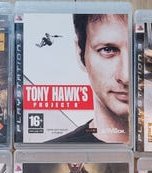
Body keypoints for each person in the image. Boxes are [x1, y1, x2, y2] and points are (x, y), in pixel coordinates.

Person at [49, 14, 130, 144]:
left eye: (139, 51)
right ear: (80, 53)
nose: (126, 77)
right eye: (107, 50)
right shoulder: (49, 153)